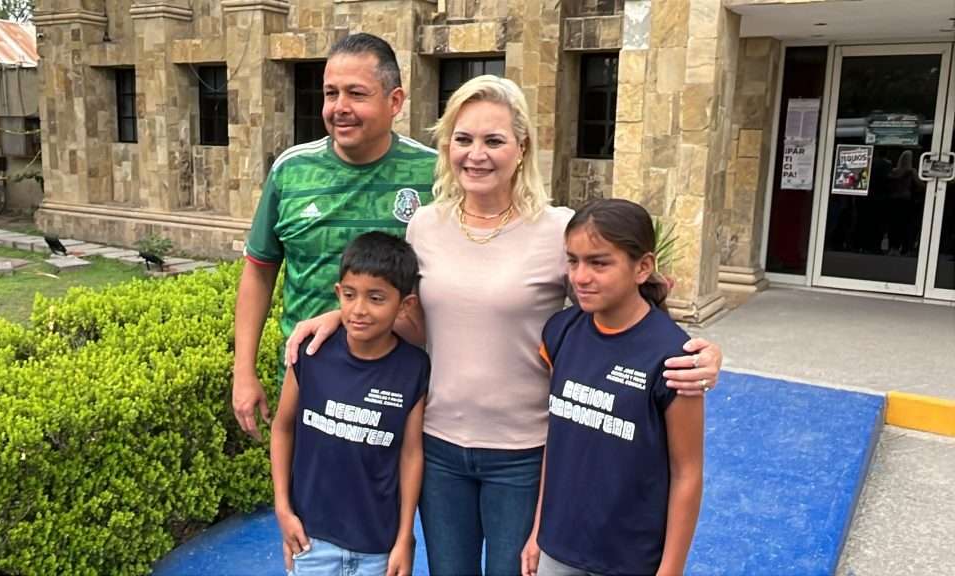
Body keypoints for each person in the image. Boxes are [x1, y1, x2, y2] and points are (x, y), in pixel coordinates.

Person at [287, 75, 722, 575]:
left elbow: (624, 302)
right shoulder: (424, 226)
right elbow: (404, 315)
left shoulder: (557, 230)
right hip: (440, 446)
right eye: (463, 139)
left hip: (524, 453)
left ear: (522, 148)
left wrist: (702, 353)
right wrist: (338, 315)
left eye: (493, 140)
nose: (476, 154)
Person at [233, 33, 437, 441]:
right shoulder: (291, 170)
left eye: (356, 94)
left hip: (398, 393)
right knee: (302, 482)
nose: (339, 107)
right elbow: (259, 270)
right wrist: (243, 372)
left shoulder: (434, 174)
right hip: (307, 382)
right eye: (331, 93)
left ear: (395, 101)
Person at [520, 199, 704, 576]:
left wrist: (671, 570)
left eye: (599, 263)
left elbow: (687, 472)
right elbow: (558, 440)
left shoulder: (674, 357)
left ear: (643, 267)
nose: (581, 276)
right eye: (573, 261)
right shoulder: (561, 332)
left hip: (630, 558)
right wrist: (539, 530)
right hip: (558, 548)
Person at [270, 231, 429, 576]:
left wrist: (405, 537)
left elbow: (411, 454)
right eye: (349, 295)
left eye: (376, 298)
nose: (359, 310)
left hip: (378, 548)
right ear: (337, 292)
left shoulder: (413, 368)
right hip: (310, 541)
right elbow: (282, 428)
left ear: (404, 305)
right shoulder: (311, 353)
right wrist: (282, 508)